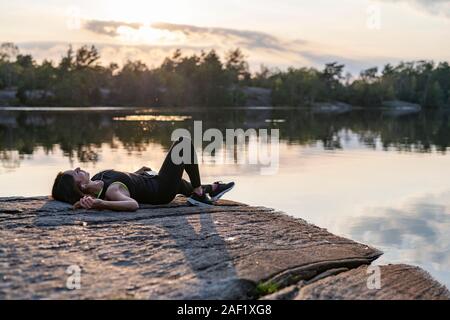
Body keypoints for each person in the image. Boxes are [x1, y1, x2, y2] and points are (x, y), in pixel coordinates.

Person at [51, 137, 234, 211]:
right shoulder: (111, 191)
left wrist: (137, 173)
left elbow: (127, 180)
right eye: (75, 173)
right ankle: (200, 193)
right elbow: (132, 204)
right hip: (161, 190)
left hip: (151, 179)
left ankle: (211, 189)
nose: (78, 167)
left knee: (181, 182)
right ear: (81, 186)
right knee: (183, 144)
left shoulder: (99, 177)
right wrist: (101, 203)